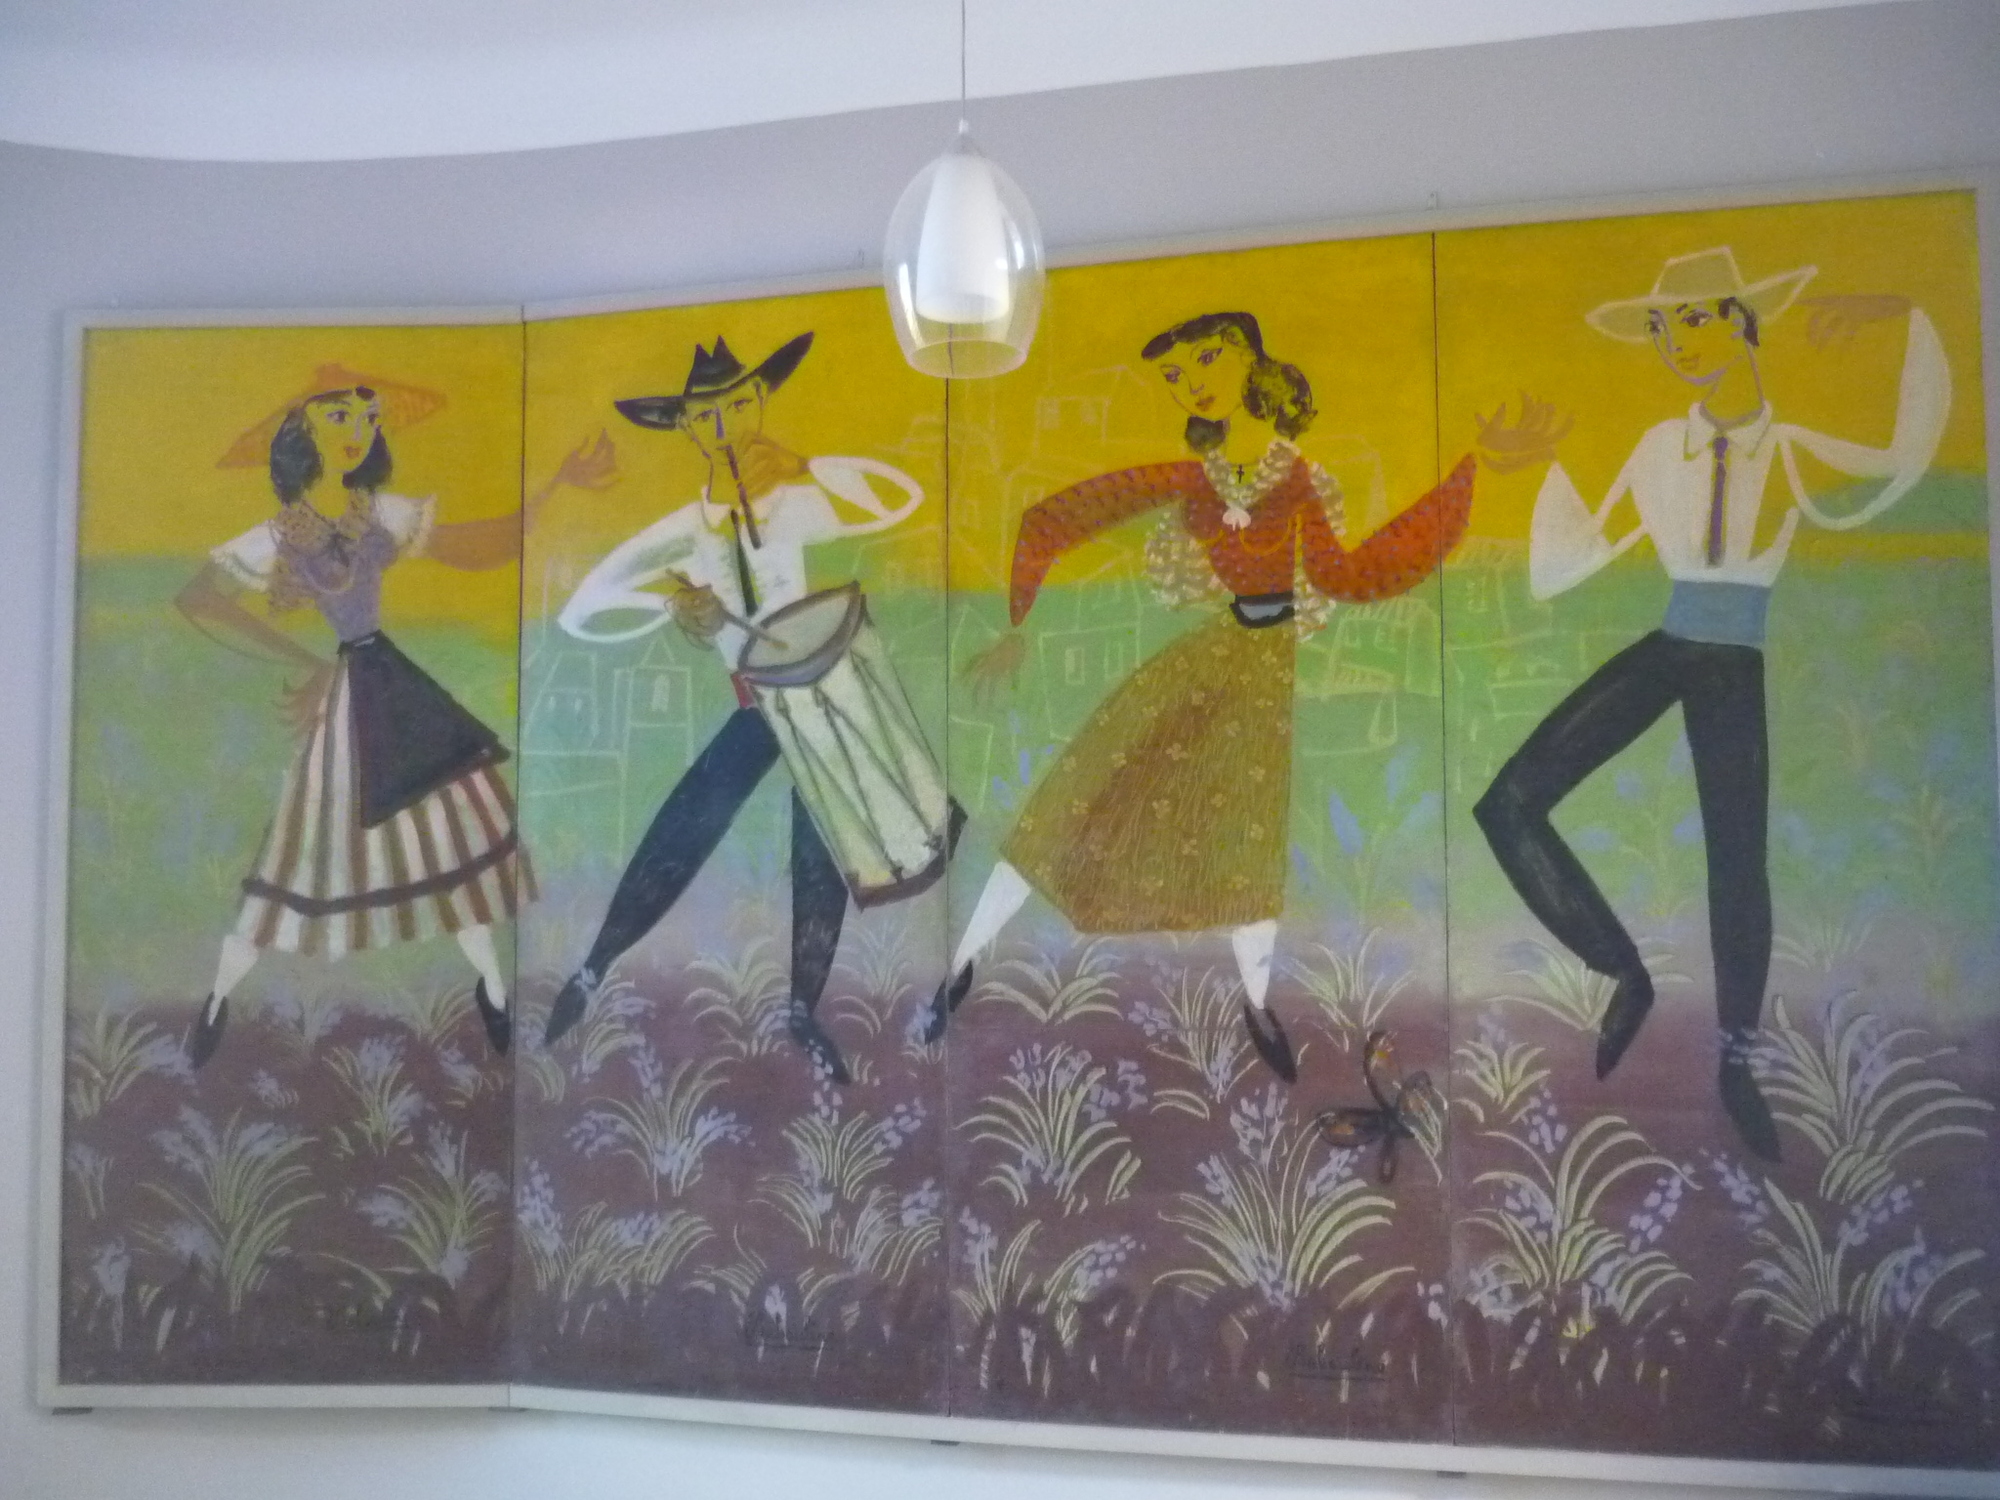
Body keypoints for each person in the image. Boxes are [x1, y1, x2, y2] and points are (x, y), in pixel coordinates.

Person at [1471, 248, 1950, 1160]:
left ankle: (1736, 1062)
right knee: (1509, 802)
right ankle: (1624, 969)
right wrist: (1546, 463)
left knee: (1738, 866)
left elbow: (1903, 459)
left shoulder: (1791, 449)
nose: (1676, 341)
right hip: (1670, 646)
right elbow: (1574, 558)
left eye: (1694, 318)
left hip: (1734, 663)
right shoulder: (1662, 446)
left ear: (1742, 321)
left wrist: (1902, 311)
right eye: (1662, 326)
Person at [944, 311, 1475, 1080]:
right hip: (1210, 653)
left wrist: (1456, 492)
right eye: (1174, 374)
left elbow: (1343, 574)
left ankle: (1256, 1004)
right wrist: (1018, 623)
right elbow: (1067, 516)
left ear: (1250, 360)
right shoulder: (1197, 479)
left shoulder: (1300, 481)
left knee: (1245, 838)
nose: (1189, 382)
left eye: (1206, 360)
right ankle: (962, 962)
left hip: (1262, 672)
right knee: (1082, 784)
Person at [545, 333, 954, 1083]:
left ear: (761, 401)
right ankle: (595, 966)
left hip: (822, 692)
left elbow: (902, 497)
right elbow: (583, 609)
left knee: (825, 847)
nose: (726, 424)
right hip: (757, 702)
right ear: (686, 428)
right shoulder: (685, 531)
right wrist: (676, 606)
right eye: (707, 415)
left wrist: (805, 465)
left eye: (739, 405)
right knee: (687, 821)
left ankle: (802, 1009)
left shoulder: (796, 502)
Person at [179, 364, 601, 1066]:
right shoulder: (279, 533)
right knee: (303, 857)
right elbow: (199, 598)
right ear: (302, 429)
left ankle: (494, 989)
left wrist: (558, 487)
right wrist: (304, 661)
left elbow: (477, 547)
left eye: (367, 417)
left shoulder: (377, 512)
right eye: (339, 416)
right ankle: (218, 998)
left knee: (455, 843)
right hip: (349, 702)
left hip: (400, 695)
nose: (359, 429)